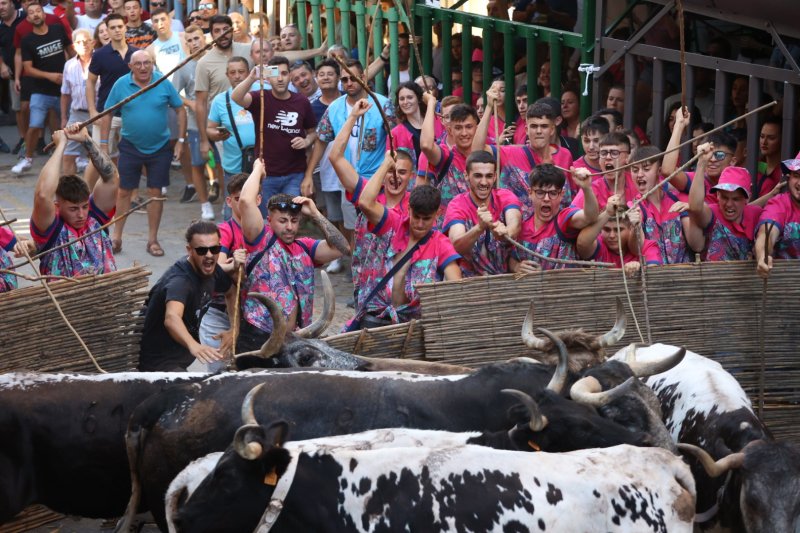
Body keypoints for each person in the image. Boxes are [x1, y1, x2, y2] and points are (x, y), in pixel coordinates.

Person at [236, 160, 350, 351]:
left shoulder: (305, 246)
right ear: (269, 220)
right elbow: (246, 201)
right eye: (282, 221)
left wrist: (315, 214)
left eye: (294, 221)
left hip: (296, 339)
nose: (289, 227)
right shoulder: (259, 238)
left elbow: (342, 248)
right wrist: (257, 169)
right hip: (259, 335)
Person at [345, 156, 461, 329]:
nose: (420, 224)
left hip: (413, 324)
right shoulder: (394, 223)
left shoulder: (440, 243)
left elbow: (455, 284)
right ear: (409, 209)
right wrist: (385, 165)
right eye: (416, 217)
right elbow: (365, 203)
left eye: (426, 219)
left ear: (437, 214)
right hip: (375, 316)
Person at [303, 58, 395, 249]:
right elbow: (321, 140)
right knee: (354, 229)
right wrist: (309, 174)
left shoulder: (383, 104)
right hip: (348, 181)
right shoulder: (335, 108)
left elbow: (395, 140)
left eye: (353, 78)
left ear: (363, 77)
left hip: (377, 180)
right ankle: (356, 264)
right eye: (344, 80)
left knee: (381, 228)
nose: (349, 83)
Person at [103, 49, 186, 256]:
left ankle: (152, 240)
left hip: (160, 147)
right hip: (130, 145)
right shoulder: (121, 84)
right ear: (130, 66)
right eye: (138, 64)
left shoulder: (163, 82)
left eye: (147, 63)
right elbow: (107, 113)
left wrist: (181, 141)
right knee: (123, 191)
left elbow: (180, 109)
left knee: (155, 193)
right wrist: (104, 145)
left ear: (153, 64)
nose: (143, 67)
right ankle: (116, 237)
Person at [329, 98, 413, 293]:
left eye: (402, 172)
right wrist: (353, 117)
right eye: (390, 170)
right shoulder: (369, 191)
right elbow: (335, 157)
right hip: (367, 286)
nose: (395, 177)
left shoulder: (415, 204)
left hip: (401, 288)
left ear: (411, 175)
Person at [138, 220, 239, 372]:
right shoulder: (180, 281)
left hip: (179, 358)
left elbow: (231, 292)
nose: (209, 255)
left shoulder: (211, 269)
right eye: (201, 250)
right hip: (158, 363)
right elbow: (172, 317)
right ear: (189, 250)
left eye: (214, 249)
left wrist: (234, 328)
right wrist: (194, 346)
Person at [30, 123, 118, 277]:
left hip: (108, 290)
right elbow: (43, 195)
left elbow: (111, 178)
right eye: (73, 209)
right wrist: (60, 146)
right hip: (65, 293)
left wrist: (86, 139)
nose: (81, 215)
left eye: (84, 207)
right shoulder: (51, 227)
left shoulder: (95, 218)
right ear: (57, 206)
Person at [231, 55, 317, 209]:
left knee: (290, 215)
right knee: (267, 217)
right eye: (275, 74)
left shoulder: (301, 101)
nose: (280, 79)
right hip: (266, 174)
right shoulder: (260, 98)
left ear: (290, 76)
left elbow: (313, 132)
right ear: (268, 78)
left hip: (295, 174)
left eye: (284, 73)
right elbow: (236, 97)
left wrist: (306, 141)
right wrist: (251, 78)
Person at [473, 96, 575, 219]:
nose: (538, 131)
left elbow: (570, 199)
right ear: (526, 129)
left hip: (556, 227)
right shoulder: (511, 153)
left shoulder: (564, 155)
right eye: (534, 126)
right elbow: (477, 151)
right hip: (517, 227)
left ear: (552, 129)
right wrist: (489, 107)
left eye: (544, 126)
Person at [12, 2, 71, 175]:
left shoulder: (57, 30)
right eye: (31, 13)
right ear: (28, 19)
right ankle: (27, 159)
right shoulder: (27, 40)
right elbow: (28, 69)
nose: (35, 14)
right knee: (35, 124)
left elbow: (71, 52)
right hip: (40, 90)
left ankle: (75, 158)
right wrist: (50, 76)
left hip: (64, 89)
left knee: (70, 125)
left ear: (44, 14)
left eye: (38, 11)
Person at [444, 150, 521, 276]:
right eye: (478, 176)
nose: (484, 182)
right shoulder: (456, 205)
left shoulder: (506, 196)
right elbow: (456, 246)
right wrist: (479, 228)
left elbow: (515, 226)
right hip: (468, 280)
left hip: (505, 278)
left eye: (489, 176)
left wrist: (506, 233)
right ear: (466, 175)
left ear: (495, 177)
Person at [510, 164, 598, 272]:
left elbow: (590, 217)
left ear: (561, 194)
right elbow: (511, 257)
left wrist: (587, 188)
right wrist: (516, 266)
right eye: (540, 193)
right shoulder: (522, 225)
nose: (546, 199)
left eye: (553, 193)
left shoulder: (564, 218)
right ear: (530, 193)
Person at [684, 142, 763, 261]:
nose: (729, 204)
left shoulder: (756, 214)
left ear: (747, 198)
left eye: (736, 199)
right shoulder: (713, 212)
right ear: (718, 195)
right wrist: (701, 163)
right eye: (725, 197)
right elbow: (695, 207)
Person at [194, 15, 251, 167]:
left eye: (226, 29)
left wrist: (312, 52)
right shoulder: (204, 63)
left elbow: (276, 58)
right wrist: (204, 140)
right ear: (211, 35)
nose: (222, 34)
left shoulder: (248, 50)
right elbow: (200, 103)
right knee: (228, 174)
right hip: (224, 130)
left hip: (251, 123)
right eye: (217, 31)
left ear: (232, 30)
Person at [172, 23, 214, 220]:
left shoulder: (215, 59)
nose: (194, 43)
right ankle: (205, 204)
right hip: (195, 122)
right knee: (197, 162)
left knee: (221, 163)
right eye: (189, 40)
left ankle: (225, 198)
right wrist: (191, 103)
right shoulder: (183, 65)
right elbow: (173, 93)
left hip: (219, 119)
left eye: (197, 38)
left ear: (204, 38)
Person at [207, 55, 255, 219]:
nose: (237, 76)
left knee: (260, 211)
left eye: (241, 71)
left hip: (261, 165)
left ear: (249, 72)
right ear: (227, 75)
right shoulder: (220, 101)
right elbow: (209, 129)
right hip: (234, 166)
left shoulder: (262, 93)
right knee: (232, 213)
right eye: (232, 72)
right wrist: (217, 134)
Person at [87, 13, 135, 171]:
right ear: (107, 30)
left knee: (131, 158)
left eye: (120, 26)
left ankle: (125, 186)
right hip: (106, 114)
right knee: (98, 159)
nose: (117, 30)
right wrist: (92, 111)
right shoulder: (99, 55)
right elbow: (90, 82)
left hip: (131, 114)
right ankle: (92, 188)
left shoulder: (136, 54)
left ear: (125, 28)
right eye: (113, 27)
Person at [628, 145, 692, 264]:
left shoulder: (676, 199)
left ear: (659, 171)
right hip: (653, 272)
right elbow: (635, 249)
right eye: (635, 170)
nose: (639, 174)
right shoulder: (633, 207)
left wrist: (694, 211)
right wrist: (635, 227)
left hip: (684, 271)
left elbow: (696, 244)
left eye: (646, 169)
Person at [418, 95, 476, 225]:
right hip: (447, 225)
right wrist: (431, 104)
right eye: (458, 127)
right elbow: (426, 145)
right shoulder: (442, 153)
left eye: (468, 126)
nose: (464, 132)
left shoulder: (486, 150)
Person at [662, 110, 736, 205]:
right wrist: (679, 125)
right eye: (708, 154)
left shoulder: (737, 184)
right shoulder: (697, 180)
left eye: (719, 155)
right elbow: (668, 171)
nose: (712, 159)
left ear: (733, 161)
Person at [577, 195, 662, 274]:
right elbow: (582, 244)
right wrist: (607, 213)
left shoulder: (647, 247)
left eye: (618, 230)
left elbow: (654, 274)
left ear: (630, 228)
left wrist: (639, 269)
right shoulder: (599, 243)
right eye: (606, 229)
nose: (612, 235)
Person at [756, 152, 800, 278]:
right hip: (783, 283)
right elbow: (767, 234)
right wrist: (763, 256)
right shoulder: (779, 204)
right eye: (796, 176)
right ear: (789, 178)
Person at [572, 132, 638, 211]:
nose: (608, 157)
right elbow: (569, 216)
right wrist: (605, 214)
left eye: (614, 153)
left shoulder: (637, 181)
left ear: (627, 157)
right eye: (603, 153)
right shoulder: (592, 189)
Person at [59, 28, 93, 176]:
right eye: (79, 42)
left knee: (100, 155)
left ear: (93, 43)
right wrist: (64, 118)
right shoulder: (69, 65)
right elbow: (65, 93)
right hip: (76, 114)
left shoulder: (101, 61)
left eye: (86, 41)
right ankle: (70, 188)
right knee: (68, 154)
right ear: (74, 46)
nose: (83, 45)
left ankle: (99, 188)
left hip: (98, 113)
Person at [0, 0, 23, 154]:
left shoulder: (25, 17)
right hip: (10, 74)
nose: (0, 7)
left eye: (3, 3)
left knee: (34, 107)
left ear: (13, 4)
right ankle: (23, 139)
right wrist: (2, 65)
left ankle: (37, 140)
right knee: (18, 108)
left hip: (30, 71)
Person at [389, 80, 426, 164]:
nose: (405, 102)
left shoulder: (436, 123)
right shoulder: (394, 133)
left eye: (410, 97)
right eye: (402, 99)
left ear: (419, 99)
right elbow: (390, 163)